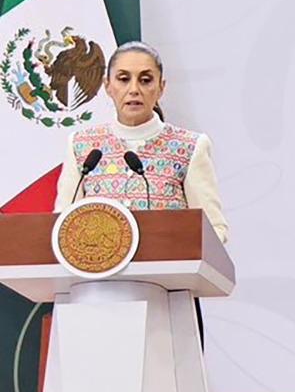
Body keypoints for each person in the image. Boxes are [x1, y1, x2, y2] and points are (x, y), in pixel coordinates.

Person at [55, 41, 230, 244]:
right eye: (123, 79)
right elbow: (62, 225)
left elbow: (214, 229)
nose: (134, 89)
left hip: (168, 263)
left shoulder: (190, 147)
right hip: (97, 264)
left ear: (161, 87)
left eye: (145, 80)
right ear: (107, 86)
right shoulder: (82, 146)